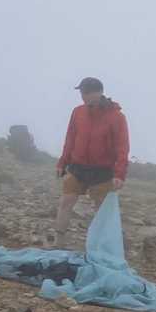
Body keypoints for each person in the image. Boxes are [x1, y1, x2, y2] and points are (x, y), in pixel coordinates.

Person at [53, 77, 130, 248]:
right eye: (83, 92)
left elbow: (122, 147)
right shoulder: (78, 112)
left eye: (87, 92)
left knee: (102, 210)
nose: (84, 96)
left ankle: (102, 247)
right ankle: (58, 242)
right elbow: (70, 138)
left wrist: (119, 174)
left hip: (103, 170)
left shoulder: (116, 117)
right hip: (77, 166)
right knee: (66, 201)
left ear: (99, 92)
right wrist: (62, 162)